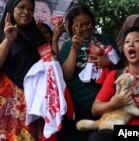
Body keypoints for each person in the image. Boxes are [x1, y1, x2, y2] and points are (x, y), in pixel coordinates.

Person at [57, 5, 123, 141]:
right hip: (79, 106)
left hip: (107, 104)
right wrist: (74, 50)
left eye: (87, 23)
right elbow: (66, 75)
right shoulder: (67, 46)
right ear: (73, 27)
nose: (84, 28)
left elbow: (121, 66)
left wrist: (109, 62)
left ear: (93, 22)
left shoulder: (106, 39)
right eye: (78, 25)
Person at [0, 0, 54, 140]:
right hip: (8, 100)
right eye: (21, 7)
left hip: (34, 101)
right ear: (11, 9)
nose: (26, 12)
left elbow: (50, 65)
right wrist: (8, 40)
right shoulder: (2, 33)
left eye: (30, 9)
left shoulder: (39, 37)